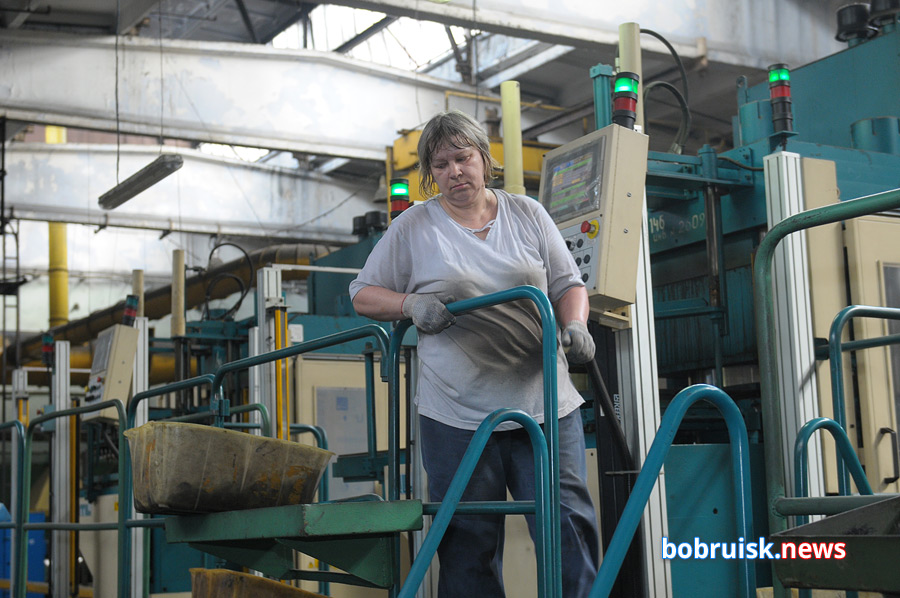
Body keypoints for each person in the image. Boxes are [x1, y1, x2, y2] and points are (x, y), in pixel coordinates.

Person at [349, 110, 599, 598]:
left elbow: (569, 281)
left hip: (544, 404)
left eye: (463, 158)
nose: (454, 172)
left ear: (485, 159)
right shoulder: (415, 228)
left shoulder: (527, 213)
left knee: (567, 529)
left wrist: (575, 323)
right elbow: (362, 293)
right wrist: (409, 303)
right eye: (440, 165)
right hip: (457, 416)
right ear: (430, 173)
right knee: (468, 543)